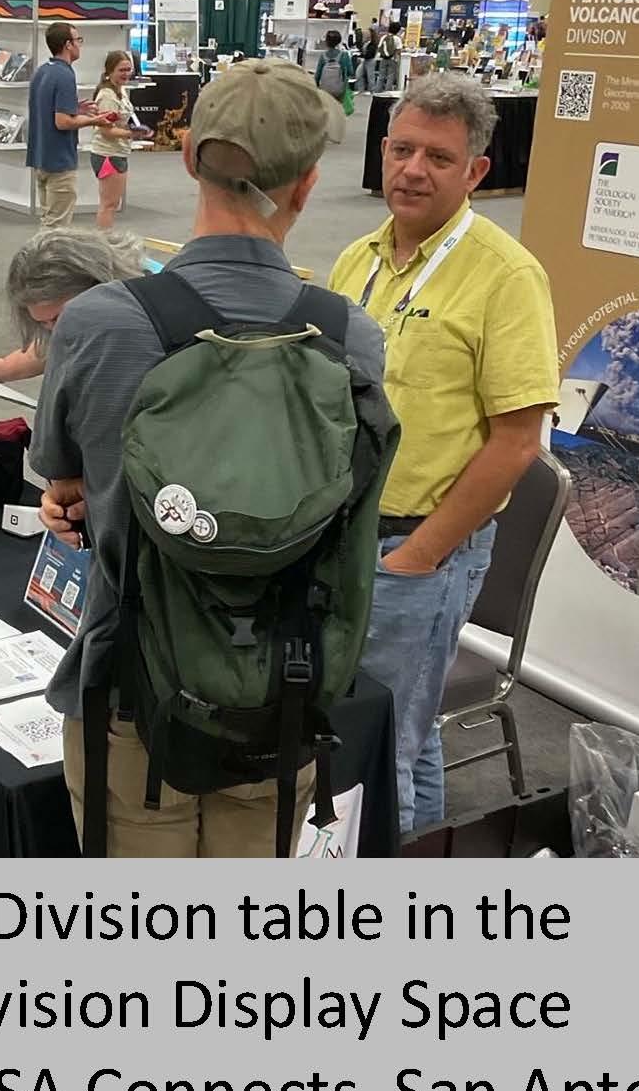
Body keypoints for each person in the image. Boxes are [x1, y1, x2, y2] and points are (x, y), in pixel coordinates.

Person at [31, 59, 387, 856]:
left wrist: (77, 494)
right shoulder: (351, 339)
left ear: (188, 154)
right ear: (307, 185)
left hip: (131, 692)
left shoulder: (97, 323)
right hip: (281, 696)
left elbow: (65, 479)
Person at [329, 75, 559, 834]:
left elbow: (517, 443)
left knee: (377, 749)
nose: (413, 170)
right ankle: (425, 854)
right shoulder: (356, 259)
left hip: (417, 549)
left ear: (475, 172)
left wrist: (419, 555)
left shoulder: (505, 275)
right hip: (343, 537)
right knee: (403, 729)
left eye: (438, 157)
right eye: (401, 150)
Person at [0, 228, 144, 382]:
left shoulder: (144, 319)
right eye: (42, 323)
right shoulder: (96, 307)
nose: (55, 331)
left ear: (95, 287)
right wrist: (5, 368)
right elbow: (48, 347)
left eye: (58, 319)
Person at [26, 22, 113, 229]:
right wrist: (94, 120)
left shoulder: (42, 71)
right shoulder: (65, 75)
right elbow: (63, 122)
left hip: (42, 158)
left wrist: (75, 108)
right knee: (57, 227)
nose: (80, 45)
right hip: (59, 161)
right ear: (67, 44)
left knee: (48, 221)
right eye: (78, 40)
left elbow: (47, 109)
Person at [89, 50, 145, 230]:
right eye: (122, 70)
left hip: (117, 152)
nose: (126, 74)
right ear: (110, 71)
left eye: (129, 69)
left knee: (111, 203)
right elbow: (106, 131)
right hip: (108, 154)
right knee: (109, 204)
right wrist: (132, 134)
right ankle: (103, 240)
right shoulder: (107, 96)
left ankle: (105, 239)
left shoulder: (120, 90)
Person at [315, 29, 353, 100]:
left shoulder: (323, 56)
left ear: (326, 41)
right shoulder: (344, 55)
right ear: (339, 41)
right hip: (340, 90)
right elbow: (350, 72)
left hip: (325, 90)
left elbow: (317, 75)